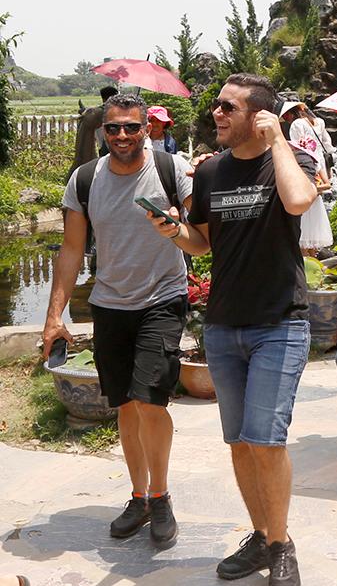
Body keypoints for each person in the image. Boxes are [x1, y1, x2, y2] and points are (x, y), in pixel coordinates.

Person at [162, 73, 319, 585]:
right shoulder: (210, 174)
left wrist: (279, 142)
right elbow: (201, 241)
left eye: (229, 107)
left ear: (259, 116)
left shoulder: (288, 163)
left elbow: (298, 202)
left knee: (267, 440)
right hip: (224, 326)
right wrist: (173, 230)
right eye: (217, 107)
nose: (217, 114)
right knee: (239, 442)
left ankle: (281, 545)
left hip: (279, 322)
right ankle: (261, 536)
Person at [44, 93, 193, 549]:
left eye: (131, 126)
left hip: (162, 298)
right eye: (113, 128)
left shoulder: (172, 170)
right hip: (110, 303)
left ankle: (161, 494)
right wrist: (55, 316)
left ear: (147, 128)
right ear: (102, 131)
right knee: (126, 405)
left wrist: (176, 228)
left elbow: (202, 238)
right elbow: (71, 250)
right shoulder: (85, 179)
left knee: (151, 401)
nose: (123, 135)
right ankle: (138, 496)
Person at [280, 101, 333, 255]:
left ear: (291, 114)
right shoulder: (320, 122)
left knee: (302, 232)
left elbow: (298, 147)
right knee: (312, 235)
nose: (287, 119)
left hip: (305, 164)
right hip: (319, 164)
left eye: (286, 116)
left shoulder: (296, 125)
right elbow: (327, 145)